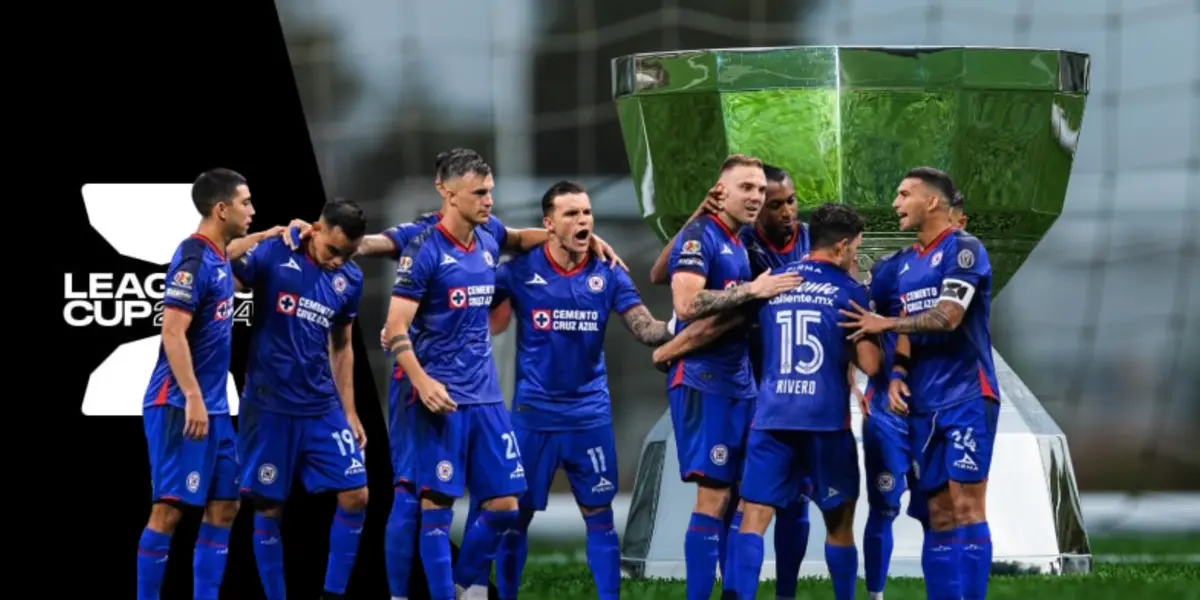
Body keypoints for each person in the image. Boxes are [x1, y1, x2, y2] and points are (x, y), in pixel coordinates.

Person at [469, 180, 674, 600]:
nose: (583, 220)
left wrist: (678, 325)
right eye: (572, 213)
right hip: (532, 419)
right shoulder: (518, 272)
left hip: (589, 419)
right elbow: (471, 306)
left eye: (587, 213)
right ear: (549, 223)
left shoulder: (609, 273)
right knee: (513, 519)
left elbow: (645, 328)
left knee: (599, 518)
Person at [651, 164, 816, 598]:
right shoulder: (706, 234)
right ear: (720, 191)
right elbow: (686, 304)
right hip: (706, 381)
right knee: (714, 496)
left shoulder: (732, 239)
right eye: (748, 188)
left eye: (762, 189)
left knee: (747, 494)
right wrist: (752, 291)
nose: (757, 196)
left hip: (742, 381)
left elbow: (657, 272)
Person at [840, 167, 999, 600]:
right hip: (921, 405)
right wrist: (894, 374)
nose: (895, 203)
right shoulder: (900, 266)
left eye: (903, 193)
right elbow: (866, 314)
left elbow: (947, 317)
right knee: (938, 514)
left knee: (967, 506)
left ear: (932, 202)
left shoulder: (965, 250)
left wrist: (886, 320)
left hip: (967, 394)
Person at [384, 152, 526, 600]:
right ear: (446, 192)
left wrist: (579, 238)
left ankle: (465, 584)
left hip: (483, 393)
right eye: (479, 193)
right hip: (435, 393)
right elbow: (394, 328)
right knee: (428, 501)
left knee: (505, 505)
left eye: (490, 191)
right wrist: (423, 382)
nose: (489, 200)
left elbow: (522, 237)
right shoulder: (424, 249)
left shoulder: (489, 236)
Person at [137, 168, 281, 600]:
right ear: (221, 209)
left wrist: (267, 235)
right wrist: (195, 397)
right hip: (180, 405)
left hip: (216, 409)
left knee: (226, 505)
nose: (252, 210)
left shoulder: (218, 254)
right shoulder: (193, 260)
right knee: (168, 511)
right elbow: (172, 333)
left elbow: (232, 248)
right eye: (246, 202)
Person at [732, 202, 882, 600]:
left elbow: (756, 343)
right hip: (825, 420)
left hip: (773, 414)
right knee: (839, 523)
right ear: (843, 246)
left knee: (754, 517)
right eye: (855, 248)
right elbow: (871, 364)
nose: (855, 255)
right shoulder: (850, 292)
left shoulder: (773, 281)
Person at [232, 199, 371, 600]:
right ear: (316, 228)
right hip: (269, 405)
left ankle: (333, 594)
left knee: (357, 493)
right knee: (268, 506)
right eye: (333, 250)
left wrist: (349, 409)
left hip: (321, 405)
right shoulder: (277, 252)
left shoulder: (350, 278)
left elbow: (342, 346)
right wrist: (263, 235)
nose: (337, 261)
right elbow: (221, 261)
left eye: (347, 254)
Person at [860, 198, 968, 599]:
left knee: (938, 513)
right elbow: (862, 324)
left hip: (936, 408)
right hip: (890, 411)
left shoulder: (967, 269)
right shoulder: (893, 269)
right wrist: (874, 380)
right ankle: (875, 595)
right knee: (884, 507)